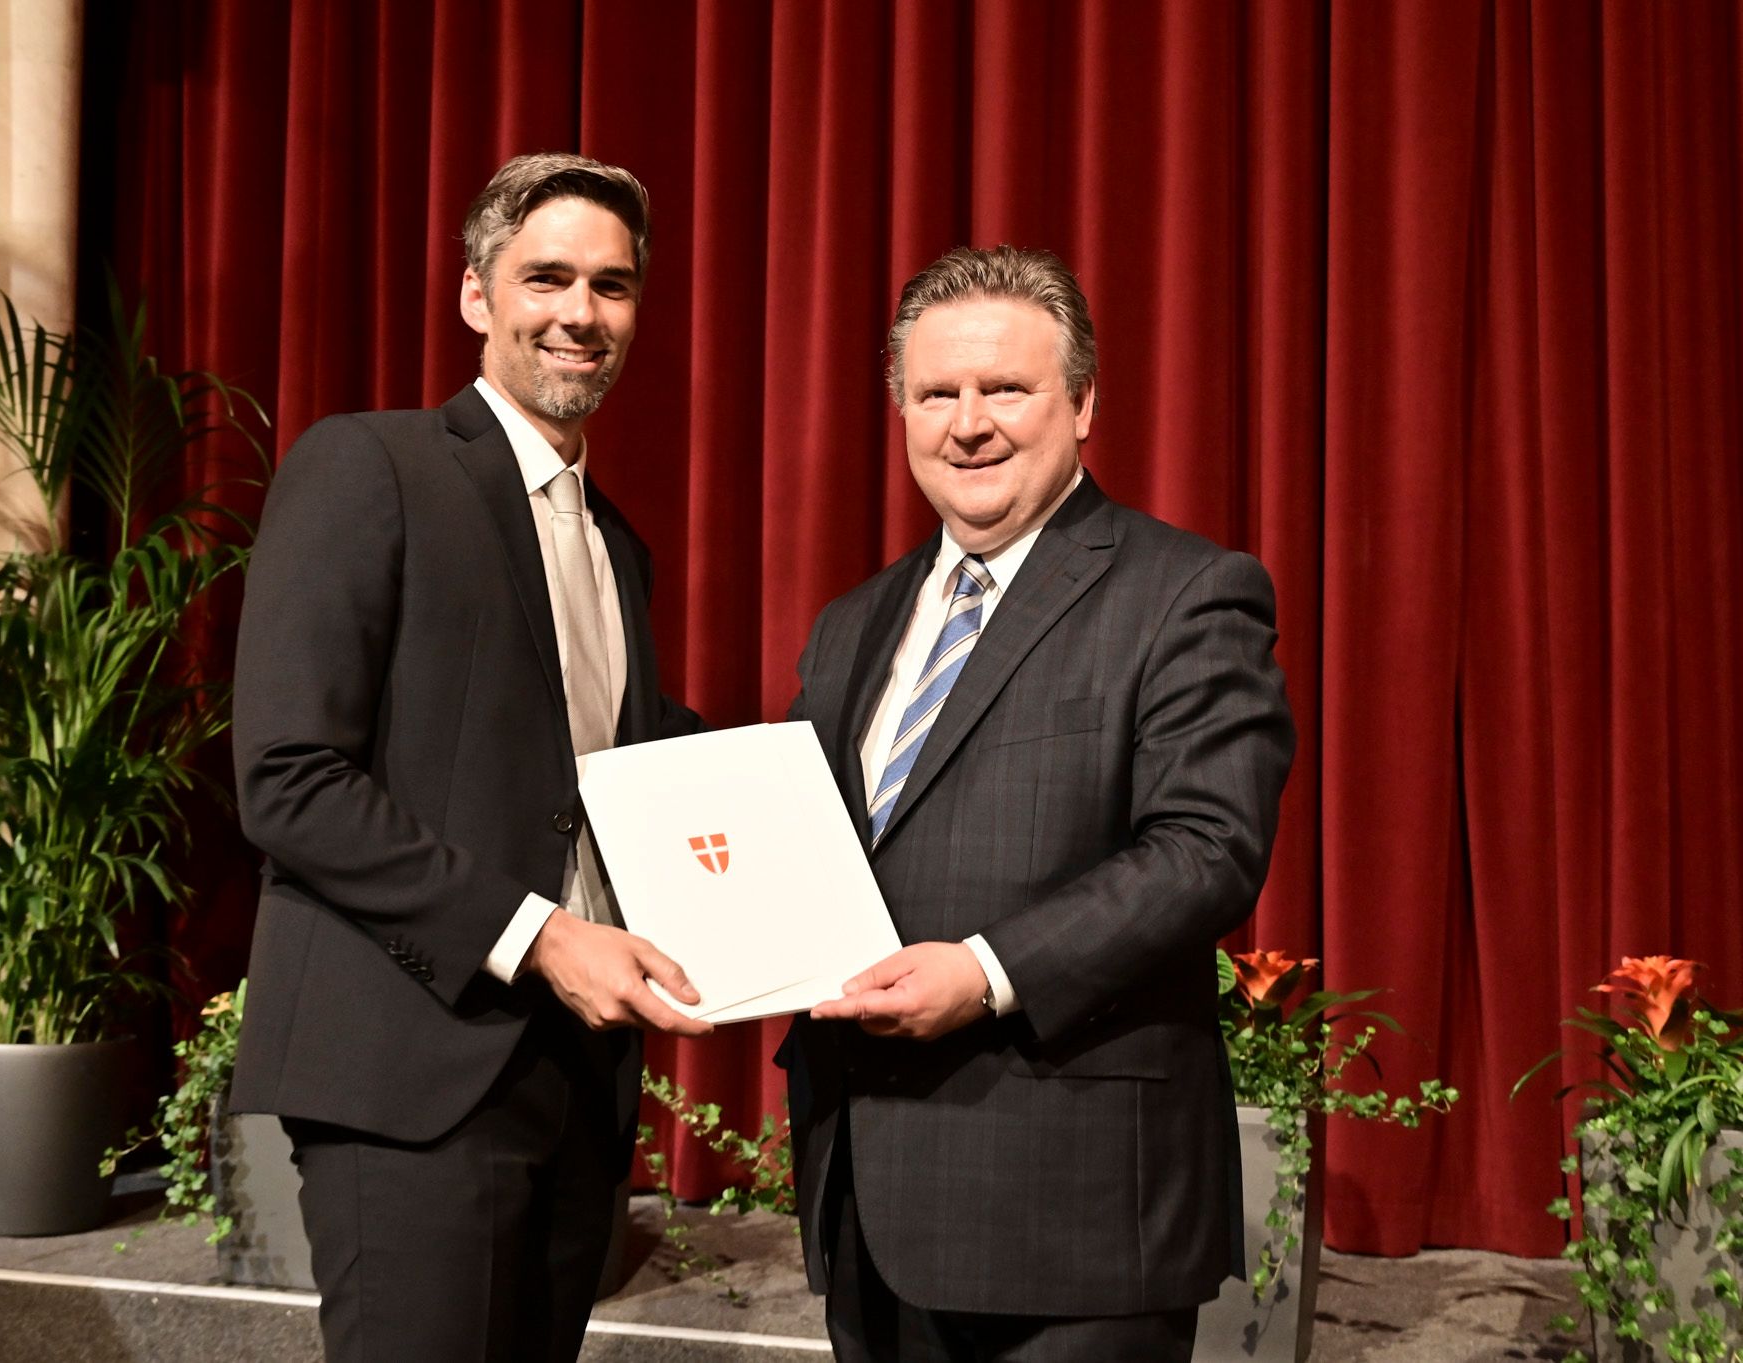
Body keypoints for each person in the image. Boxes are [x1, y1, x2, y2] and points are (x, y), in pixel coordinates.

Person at [228, 151, 710, 1363]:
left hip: (575, 1076)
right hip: (407, 1070)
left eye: (610, 285)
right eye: (545, 277)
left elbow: (612, 766)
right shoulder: (368, 464)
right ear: (474, 295)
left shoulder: (616, 543)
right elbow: (288, 778)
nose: (579, 312)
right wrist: (541, 936)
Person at [782, 245, 1295, 1362]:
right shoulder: (852, 621)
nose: (968, 424)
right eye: (936, 394)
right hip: (867, 1201)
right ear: (902, 412)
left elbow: (1206, 848)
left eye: (1004, 388)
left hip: (1075, 1215)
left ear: (1083, 403)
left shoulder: (1186, 592)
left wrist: (983, 970)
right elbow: (802, 843)